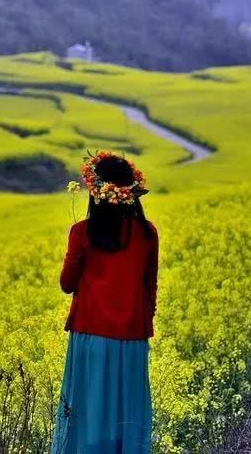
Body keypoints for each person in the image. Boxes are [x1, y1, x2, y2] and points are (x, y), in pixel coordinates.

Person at [52, 151, 158, 454]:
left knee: (89, 410)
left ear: (96, 191)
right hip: (133, 338)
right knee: (128, 412)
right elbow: (149, 285)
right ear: (131, 191)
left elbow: (66, 284)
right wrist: (140, 323)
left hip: (90, 336)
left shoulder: (82, 232)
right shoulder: (148, 233)